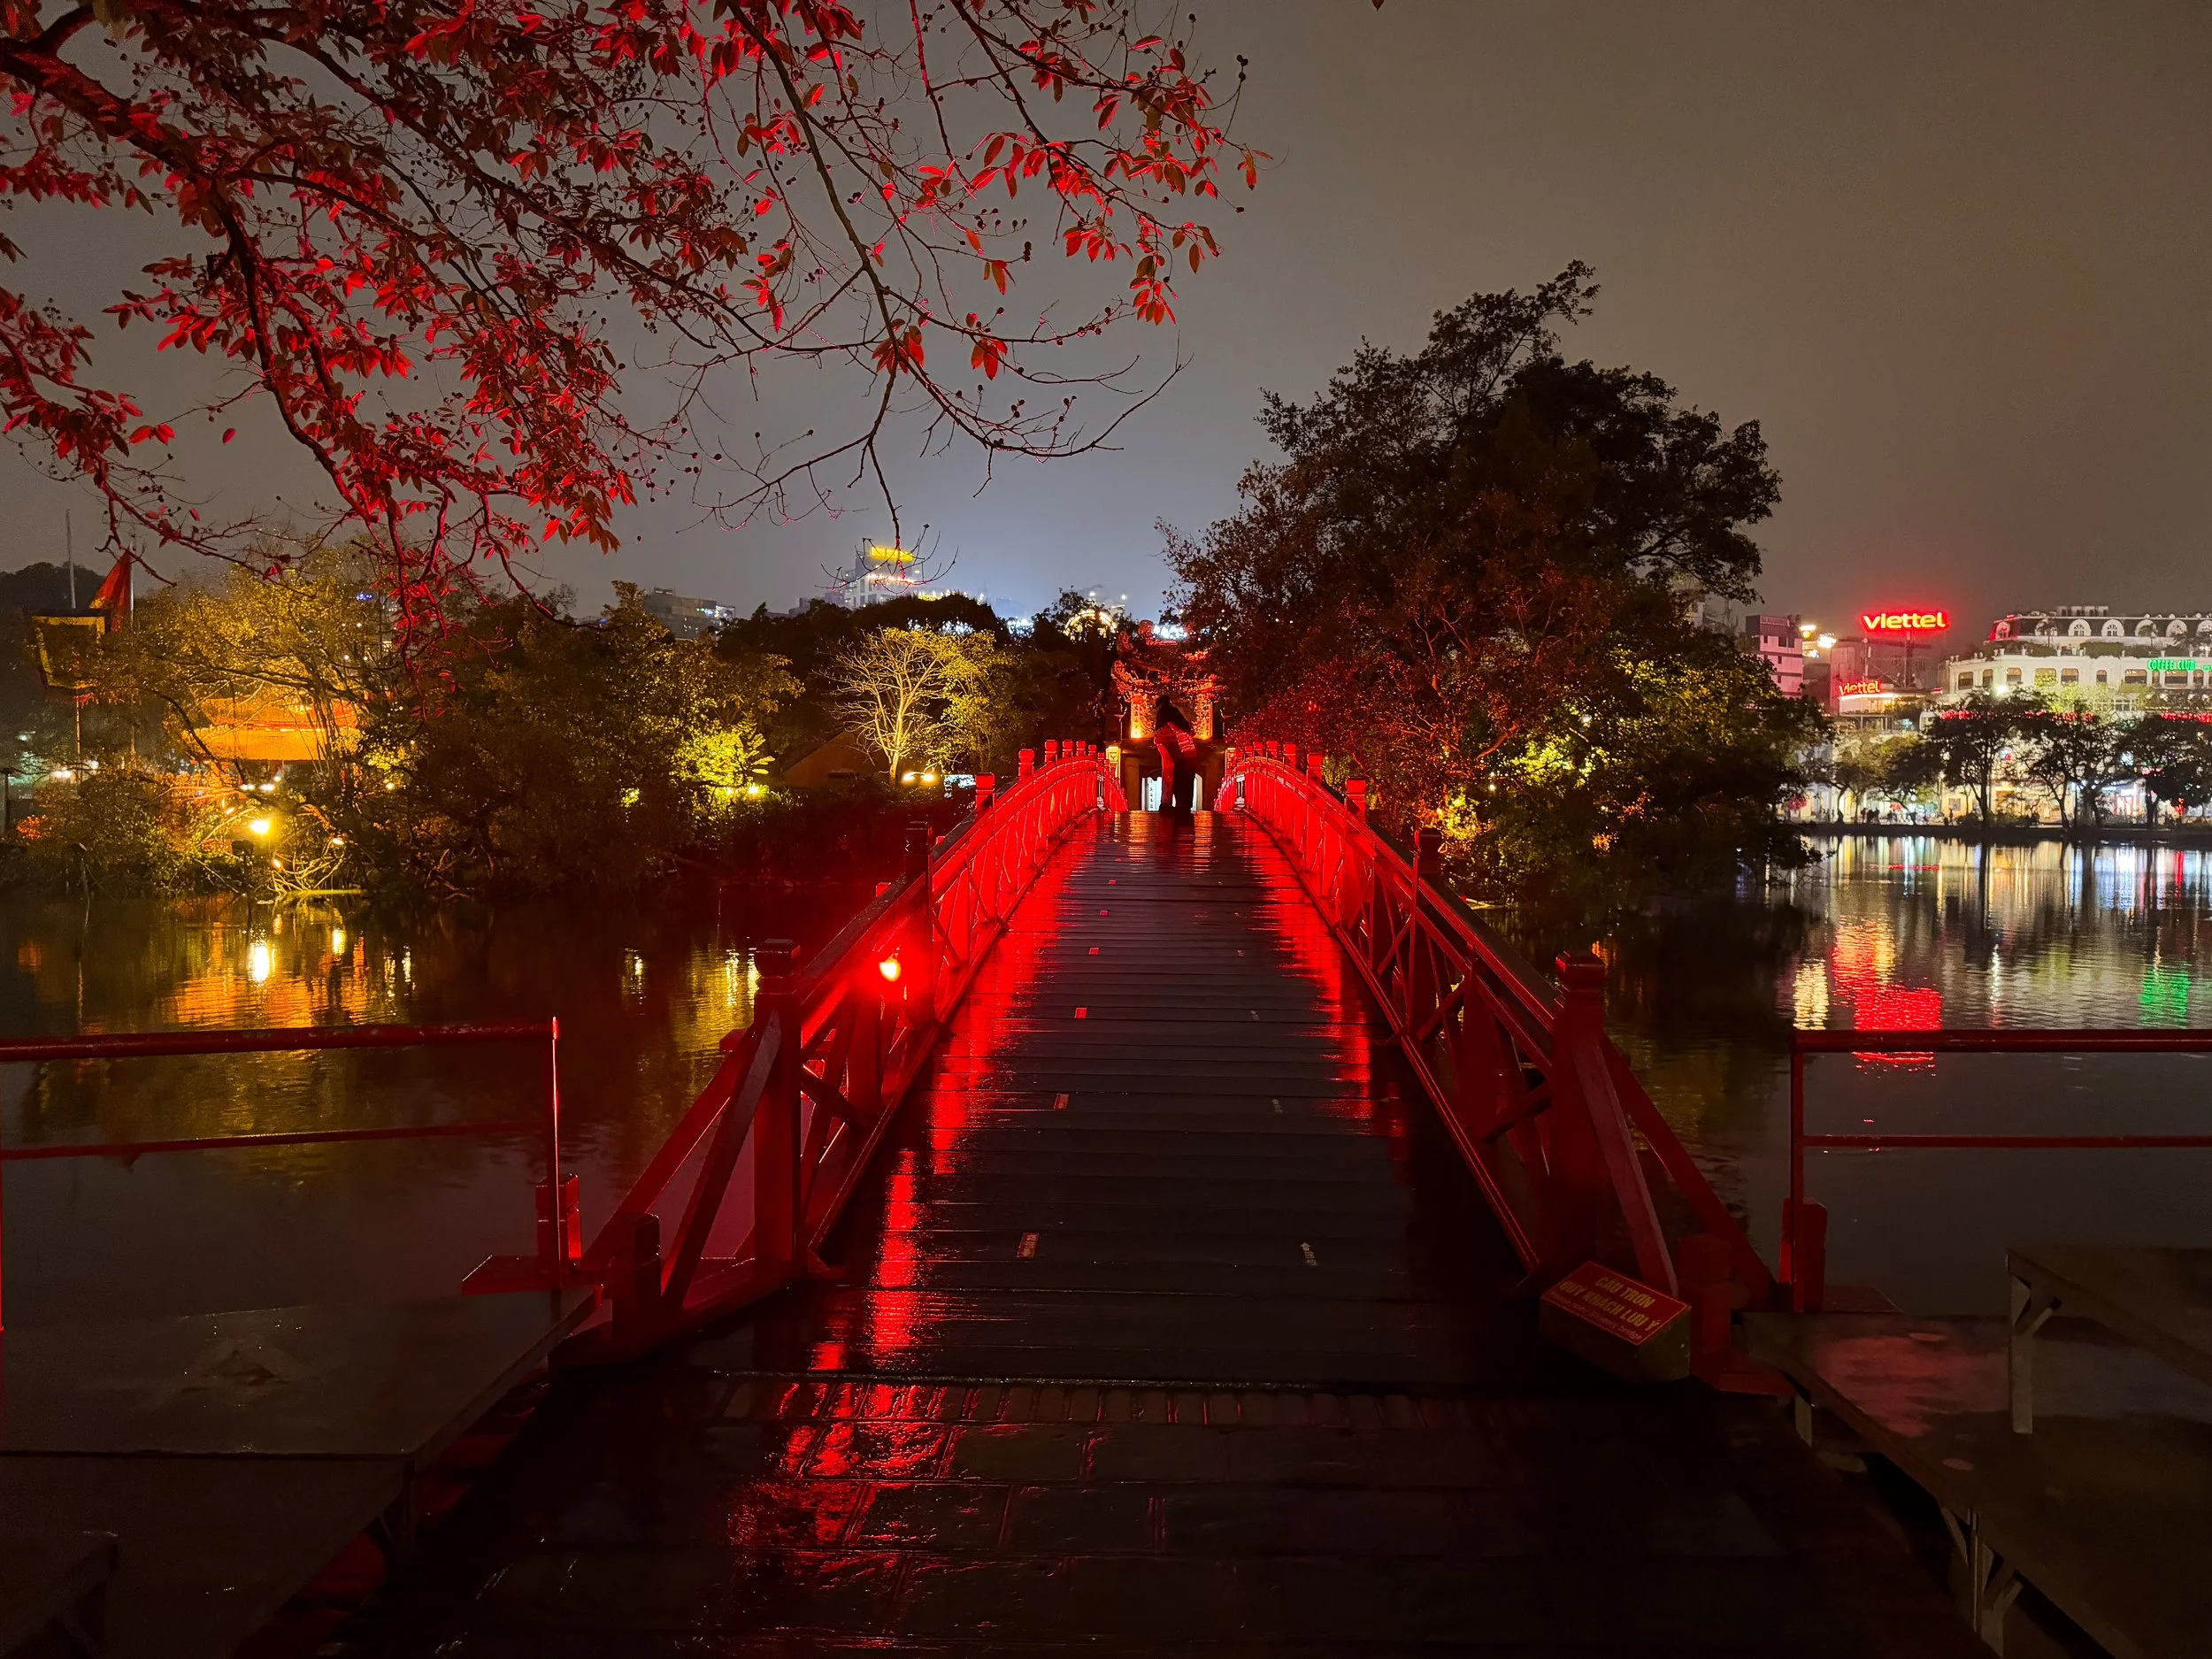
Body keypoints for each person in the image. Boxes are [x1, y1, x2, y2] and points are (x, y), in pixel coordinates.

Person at [1153, 696, 1197, 811]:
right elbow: (1182, 725)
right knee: (1174, 770)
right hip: (1173, 745)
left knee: (1168, 771)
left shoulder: (1161, 714)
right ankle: (1178, 803)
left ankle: (1166, 802)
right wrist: (1188, 730)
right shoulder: (1171, 711)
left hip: (1163, 743)